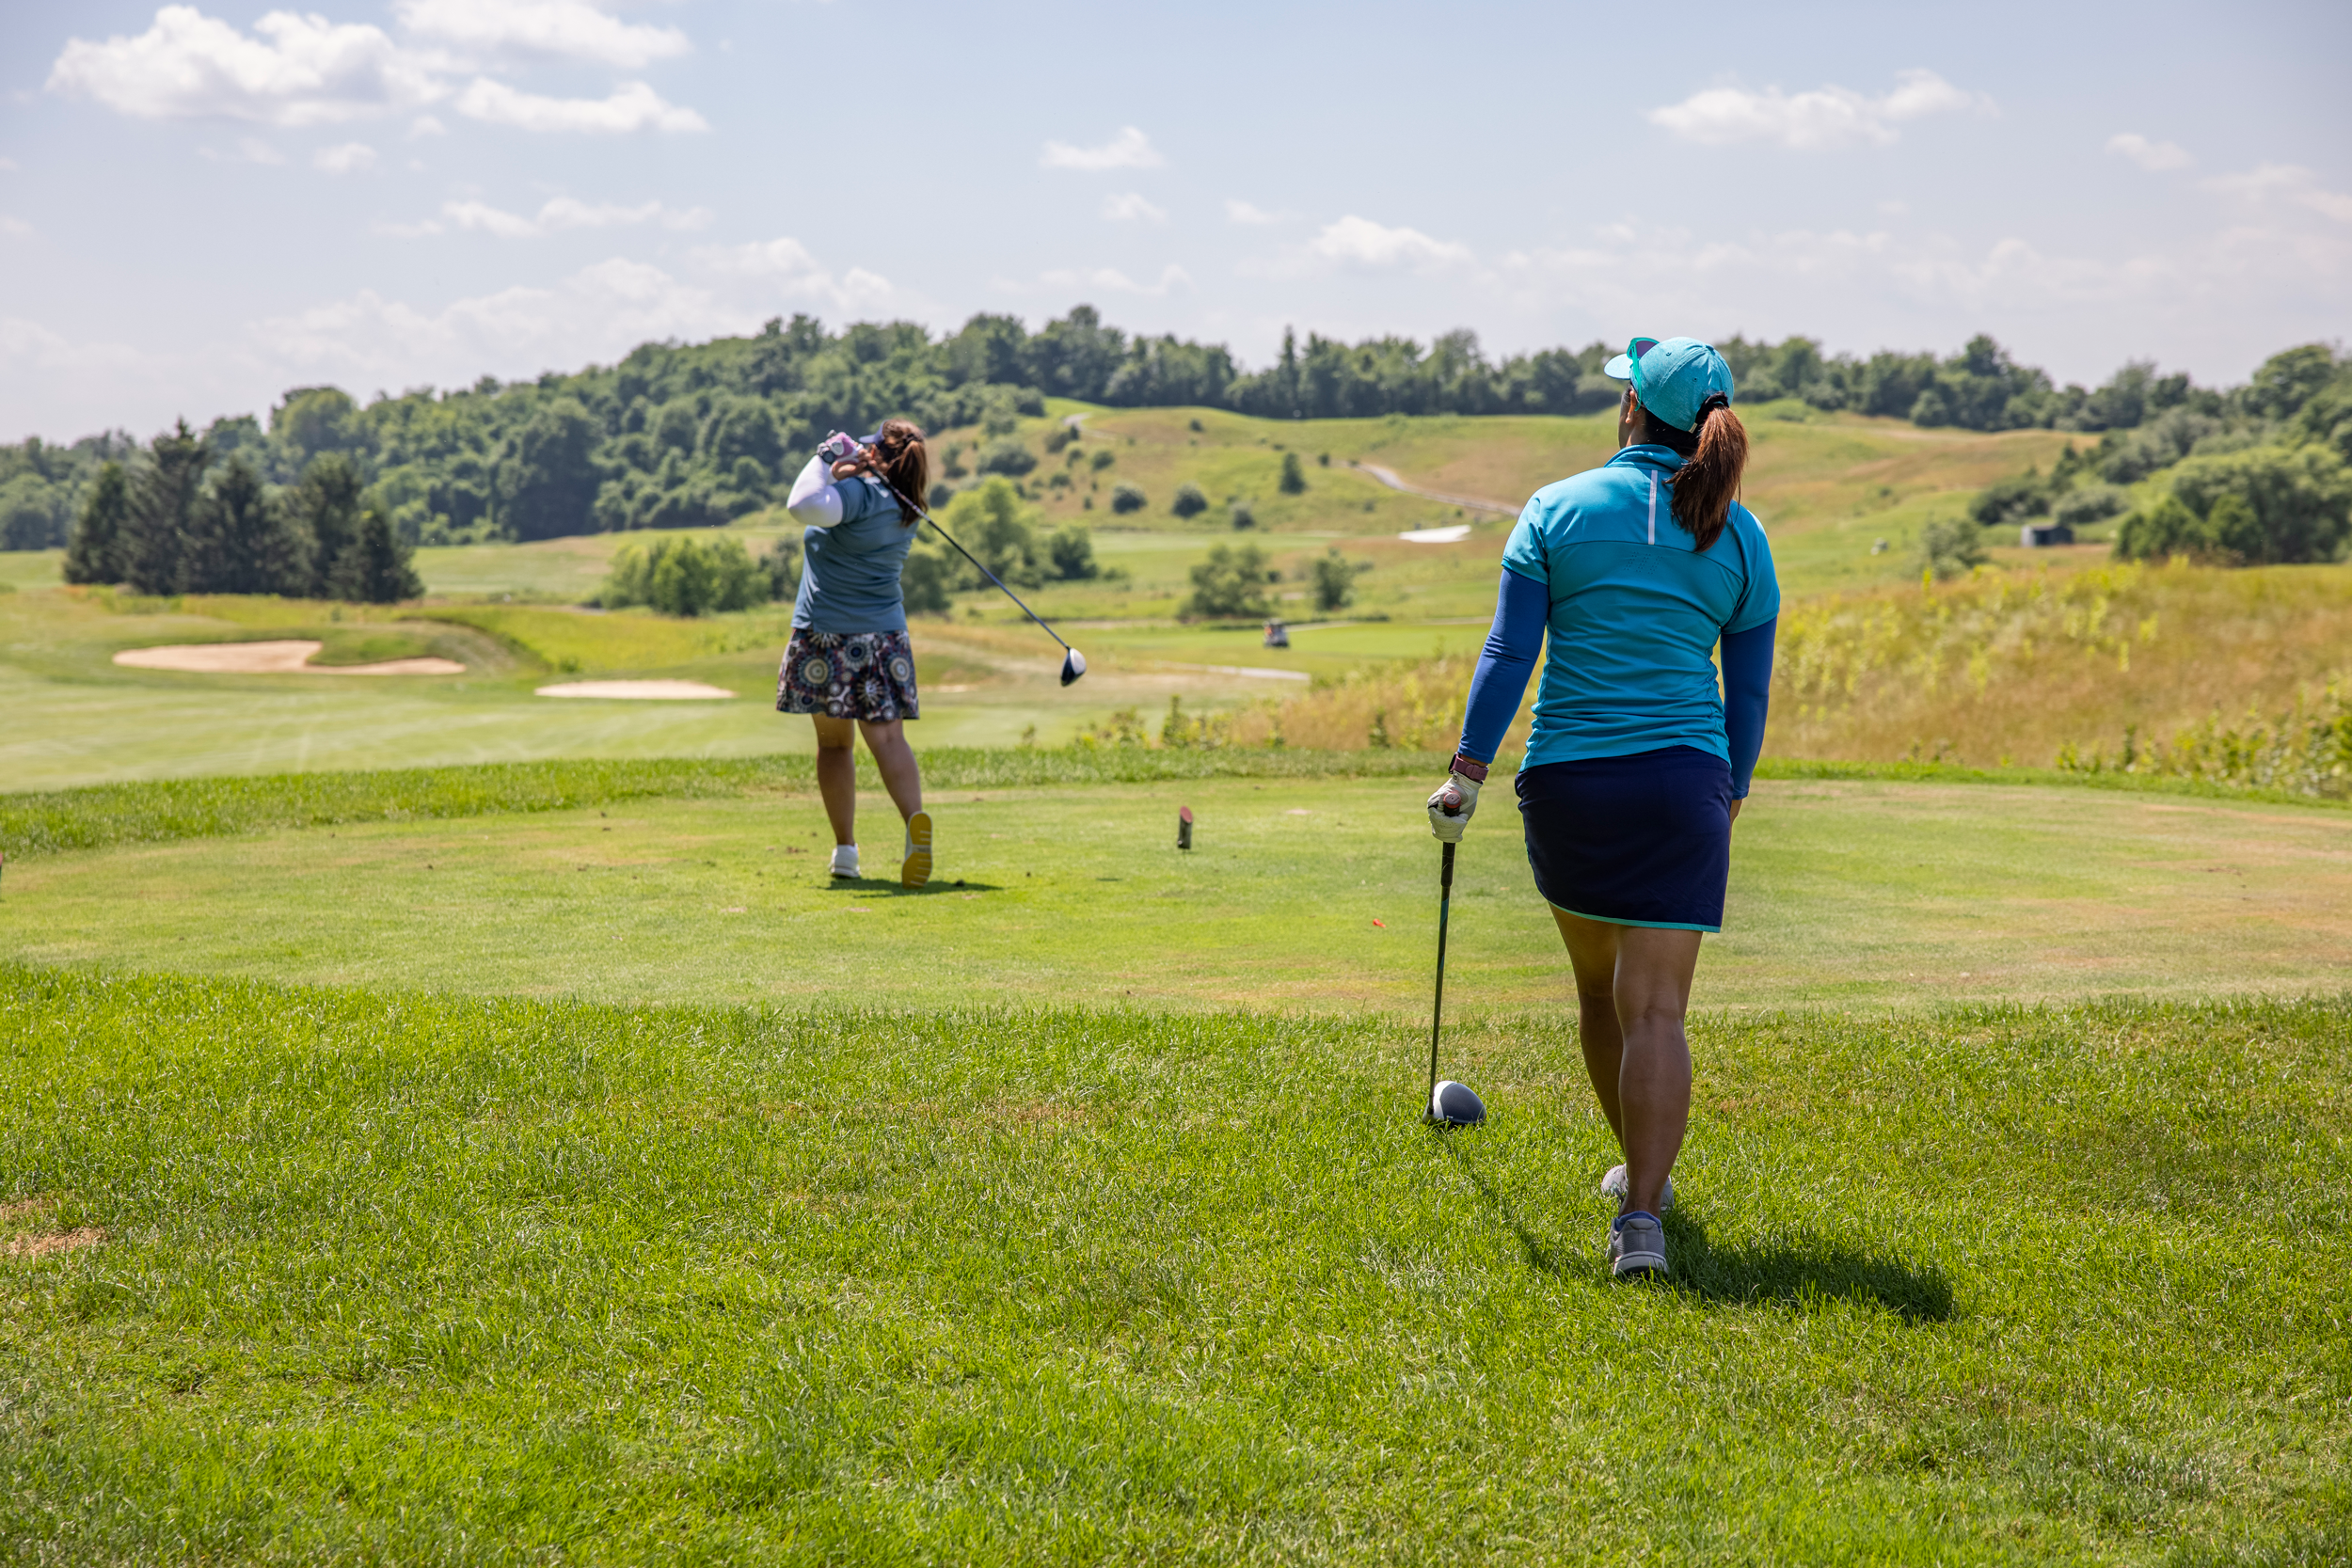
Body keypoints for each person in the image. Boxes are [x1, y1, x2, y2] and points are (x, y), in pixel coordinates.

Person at [1426, 337, 1778, 1281]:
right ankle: (1643, 1215)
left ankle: (1638, 1174)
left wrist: (1465, 767)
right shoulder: (1740, 538)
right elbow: (1745, 696)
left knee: (1599, 992)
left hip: (1570, 786)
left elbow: (1509, 654)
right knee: (1655, 1007)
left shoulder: (1555, 508)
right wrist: (1732, 788)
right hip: (1682, 788)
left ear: (1631, 410)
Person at [780, 420, 935, 889]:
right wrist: (850, 470)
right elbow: (828, 503)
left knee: (834, 745)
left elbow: (801, 503)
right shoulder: (904, 506)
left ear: (879, 457)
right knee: (889, 741)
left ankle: (845, 850)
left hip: (827, 637)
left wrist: (826, 457)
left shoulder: (859, 498)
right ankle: (914, 824)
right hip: (886, 638)